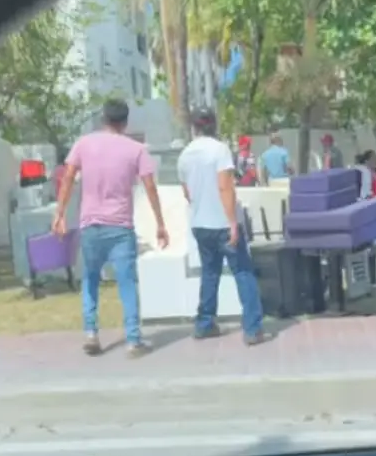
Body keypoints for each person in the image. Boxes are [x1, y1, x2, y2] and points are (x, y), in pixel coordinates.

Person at [52, 98, 169, 358]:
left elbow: (68, 176)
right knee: (127, 282)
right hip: (120, 226)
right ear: (125, 122)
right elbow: (150, 186)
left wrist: (59, 213)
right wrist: (160, 223)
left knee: (91, 279)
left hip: (90, 224)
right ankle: (133, 340)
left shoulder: (84, 143)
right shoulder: (136, 149)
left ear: (103, 119)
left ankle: (91, 333)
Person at [177, 110, 269, 346]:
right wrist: (231, 222)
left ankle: (205, 323)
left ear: (194, 127)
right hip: (222, 222)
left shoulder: (185, 155)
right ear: (213, 125)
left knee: (209, 273)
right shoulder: (220, 150)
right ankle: (252, 328)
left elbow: (187, 192)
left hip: (200, 223)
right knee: (242, 271)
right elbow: (225, 187)